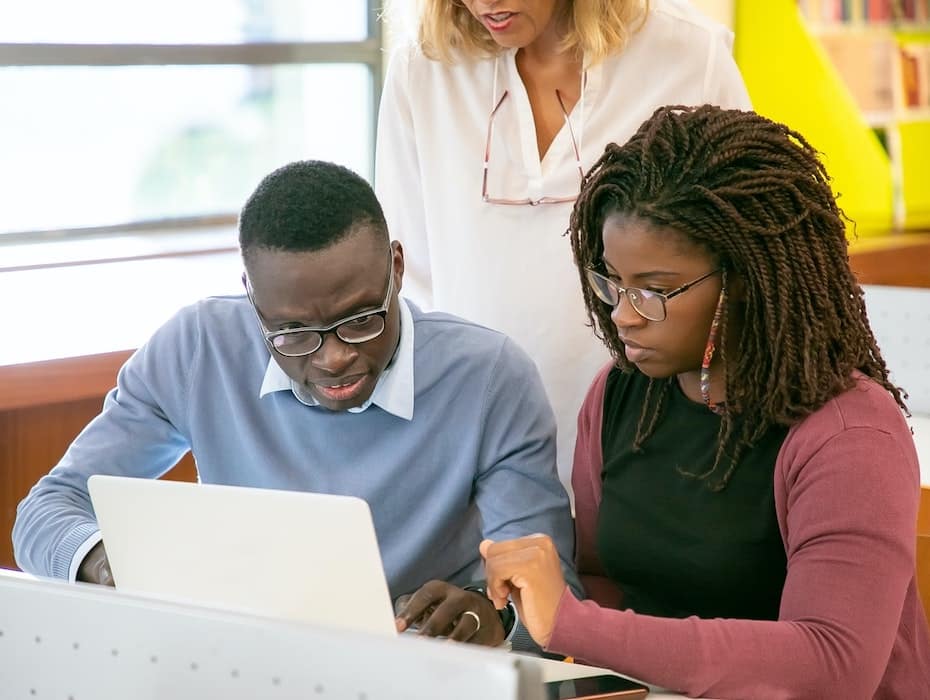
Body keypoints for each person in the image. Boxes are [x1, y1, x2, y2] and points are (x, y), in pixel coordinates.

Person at [12, 160, 578, 649]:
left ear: (397, 270)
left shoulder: (489, 377)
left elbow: (555, 598)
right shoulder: (197, 349)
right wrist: (121, 568)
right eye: (293, 332)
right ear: (252, 299)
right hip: (238, 662)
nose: (332, 358)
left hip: (421, 671)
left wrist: (492, 616)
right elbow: (44, 514)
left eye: (360, 319)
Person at [479, 105, 930, 697]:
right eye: (612, 281)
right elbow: (602, 578)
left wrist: (573, 622)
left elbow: (831, 665)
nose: (622, 315)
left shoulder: (849, 433)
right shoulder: (619, 395)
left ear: (744, 279)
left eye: (656, 290)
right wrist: (514, 605)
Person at [375, 0, 751, 489]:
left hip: (657, 449)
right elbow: (411, 288)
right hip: (478, 453)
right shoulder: (422, 69)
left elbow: (748, 260)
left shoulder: (688, 56)